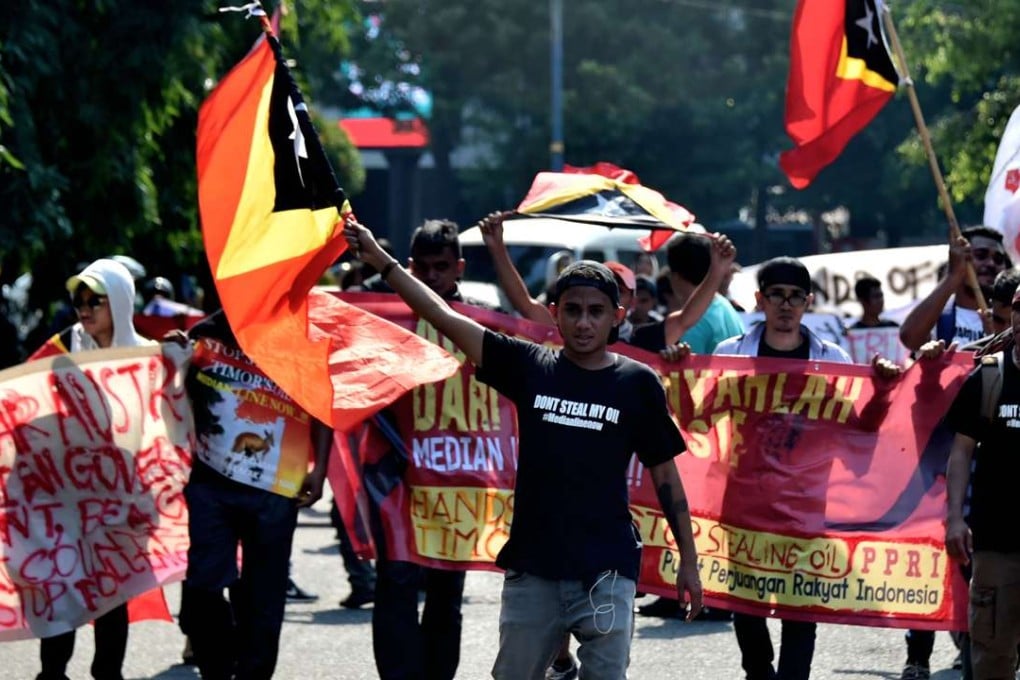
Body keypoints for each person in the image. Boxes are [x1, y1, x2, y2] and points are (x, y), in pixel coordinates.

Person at [344, 217, 705, 680]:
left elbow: (667, 479)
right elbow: (444, 317)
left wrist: (689, 565)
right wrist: (384, 262)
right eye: (572, 310)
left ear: (617, 316)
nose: (583, 322)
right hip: (533, 571)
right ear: (553, 312)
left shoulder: (638, 383)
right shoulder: (530, 366)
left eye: (596, 311)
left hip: (608, 572)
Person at [713, 257, 855, 680]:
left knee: (800, 606)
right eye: (777, 295)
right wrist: (682, 365)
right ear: (760, 300)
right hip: (742, 502)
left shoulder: (833, 361)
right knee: (744, 604)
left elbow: (857, 425)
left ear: (808, 303)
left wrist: (883, 388)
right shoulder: (729, 354)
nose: (786, 305)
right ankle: (758, 672)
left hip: (806, 506)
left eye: (796, 297)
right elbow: (700, 413)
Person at [366, 219, 488, 680]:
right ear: (409, 266)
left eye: (443, 267)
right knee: (395, 581)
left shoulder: (479, 320)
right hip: (394, 472)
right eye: (425, 267)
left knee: (445, 592)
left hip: (457, 479)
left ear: (458, 266)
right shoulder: (385, 317)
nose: (434, 276)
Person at [179, 309, 331, 679]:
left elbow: (321, 401)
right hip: (211, 484)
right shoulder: (203, 335)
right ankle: (217, 666)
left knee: (264, 593)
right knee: (204, 586)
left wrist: (320, 468)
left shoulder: (302, 336)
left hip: (276, 487)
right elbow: (173, 397)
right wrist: (174, 359)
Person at [31, 258, 156, 680]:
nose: (83, 309)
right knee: (61, 589)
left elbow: (162, 427)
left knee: (112, 594)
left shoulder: (146, 356)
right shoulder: (62, 348)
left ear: (119, 303)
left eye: (94, 300)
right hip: (65, 496)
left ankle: (108, 674)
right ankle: (52, 674)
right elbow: (22, 403)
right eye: (79, 300)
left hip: (121, 497)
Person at [944, 284, 1020, 680]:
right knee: (992, 659)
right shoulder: (989, 377)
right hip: (995, 546)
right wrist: (954, 518)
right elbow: (961, 452)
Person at [900, 226, 1009, 351]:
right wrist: (953, 276)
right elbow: (909, 338)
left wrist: (996, 339)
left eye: (998, 259)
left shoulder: (1011, 316)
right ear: (959, 259)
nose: (991, 264)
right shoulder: (937, 315)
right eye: (981, 255)